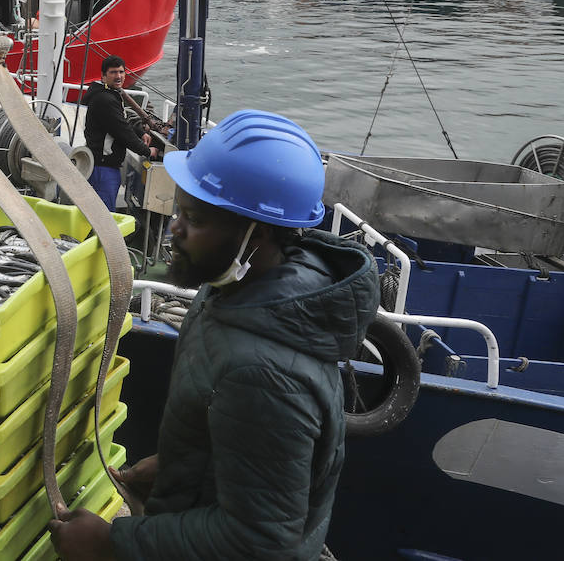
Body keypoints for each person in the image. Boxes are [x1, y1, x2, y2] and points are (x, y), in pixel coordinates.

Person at [49, 110, 380, 561]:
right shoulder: (237, 286)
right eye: (178, 210)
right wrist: (185, 466)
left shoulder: (263, 374)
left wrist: (112, 544)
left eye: (194, 218)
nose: (173, 229)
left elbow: (259, 543)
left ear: (255, 234)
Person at [82, 55, 156, 211]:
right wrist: (147, 151)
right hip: (103, 168)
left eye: (121, 72)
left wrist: (140, 132)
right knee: (104, 217)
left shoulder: (109, 95)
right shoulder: (105, 100)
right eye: (113, 72)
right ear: (103, 76)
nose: (119, 76)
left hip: (101, 165)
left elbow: (120, 121)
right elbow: (122, 132)